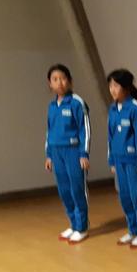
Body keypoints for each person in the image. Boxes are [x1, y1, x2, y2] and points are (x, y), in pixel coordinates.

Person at [44, 63, 90, 244]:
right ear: (50, 83)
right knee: (64, 190)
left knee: (77, 189)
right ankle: (73, 224)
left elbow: (85, 130)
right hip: (57, 152)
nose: (59, 82)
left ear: (70, 81)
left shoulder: (77, 102)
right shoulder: (51, 106)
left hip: (73, 151)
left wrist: (84, 154)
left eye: (63, 78)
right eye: (55, 79)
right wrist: (49, 155)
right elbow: (49, 131)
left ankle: (82, 227)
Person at [107, 69, 137, 247]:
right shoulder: (112, 109)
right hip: (119, 160)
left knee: (136, 196)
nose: (112, 89)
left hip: (133, 162)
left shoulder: (135, 108)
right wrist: (111, 160)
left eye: (116, 86)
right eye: (110, 86)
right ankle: (132, 230)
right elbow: (110, 136)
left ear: (126, 87)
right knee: (124, 196)